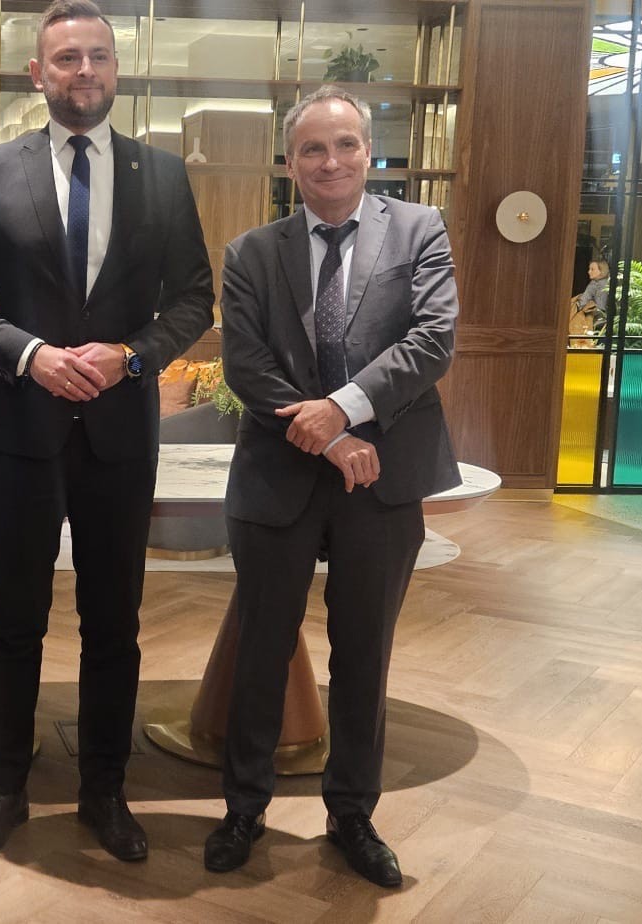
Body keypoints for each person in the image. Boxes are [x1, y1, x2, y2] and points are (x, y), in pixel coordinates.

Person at [0, 0, 214, 864]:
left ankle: (104, 792)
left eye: (97, 56)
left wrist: (132, 356)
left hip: (120, 437)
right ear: (38, 73)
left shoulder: (163, 175)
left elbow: (194, 299)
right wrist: (29, 355)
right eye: (66, 58)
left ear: (116, 70)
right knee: (14, 622)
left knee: (114, 625)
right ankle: (5, 791)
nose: (83, 71)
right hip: (20, 433)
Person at [200, 86, 461, 888]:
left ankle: (352, 814)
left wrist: (343, 410)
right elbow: (246, 365)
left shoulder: (419, 229)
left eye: (346, 144)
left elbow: (432, 340)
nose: (331, 161)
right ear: (290, 163)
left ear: (369, 152)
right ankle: (244, 808)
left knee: (364, 653)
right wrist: (331, 437)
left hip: (382, 481)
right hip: (278, 479)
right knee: (260, 650)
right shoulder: (252, 251)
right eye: (312, 148)